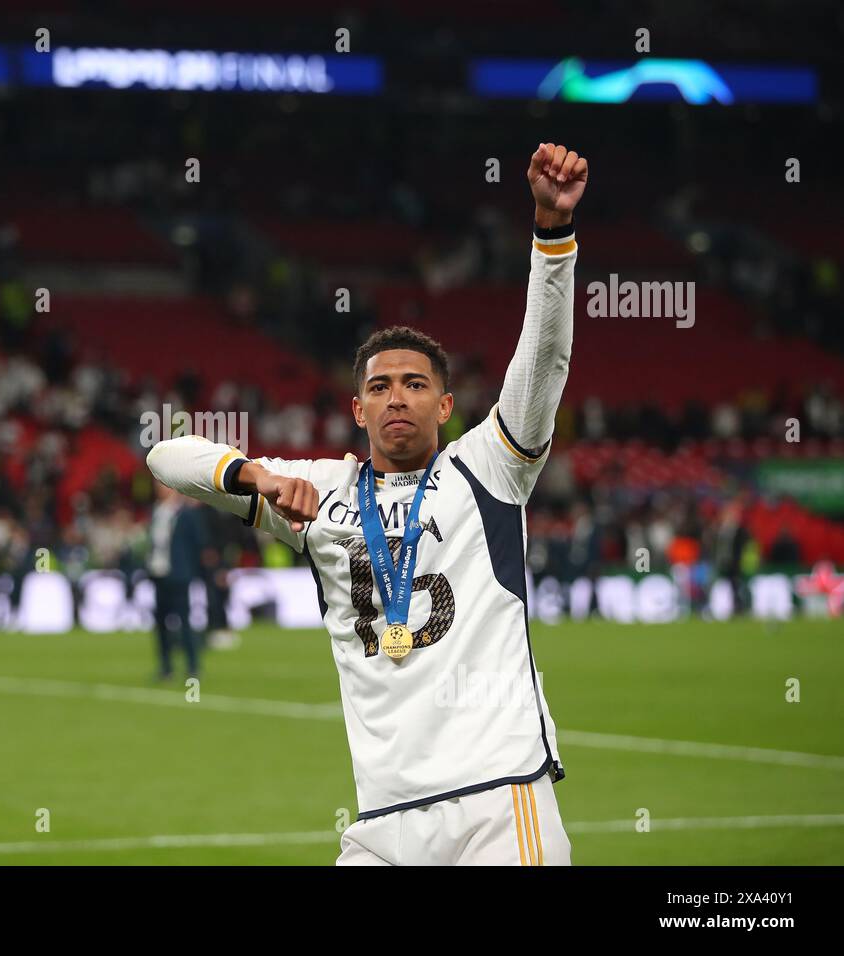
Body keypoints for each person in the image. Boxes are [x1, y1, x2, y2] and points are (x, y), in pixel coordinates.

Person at [147, 143, 586, 865]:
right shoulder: (322, 492)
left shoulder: (490, 470)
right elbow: (165, 457)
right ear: (357, 408)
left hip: (500, 799)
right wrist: (253, 476)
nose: (398, 398)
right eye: (380, 387)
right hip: (383, 815)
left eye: (416, 384)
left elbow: (544, 359)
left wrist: (550, 234)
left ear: (446, 405)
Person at [147, 481, 206, 680]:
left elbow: (197, 543)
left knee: (184, 621)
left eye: (163, 485)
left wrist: (192, 570)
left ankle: (193, 666)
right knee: (161, 624)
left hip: (179, 575)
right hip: (159, 574)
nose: (159, 489)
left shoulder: (186, 513)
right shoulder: (156, 512)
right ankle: (166, 667)